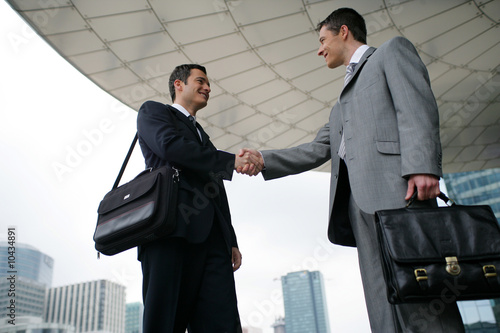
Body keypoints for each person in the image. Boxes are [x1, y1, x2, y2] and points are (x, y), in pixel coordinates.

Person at [238, 7, 465, 333]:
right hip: (357, 207)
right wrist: (262, 159)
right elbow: (317, 150)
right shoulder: (340, 105)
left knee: (423, 293)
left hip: (400, 193)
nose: (319, 49)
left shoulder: (391, 53)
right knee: (381, 300)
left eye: (322, 39)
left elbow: (416, 107)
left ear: (343, 31)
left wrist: (423, 167)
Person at [137, 64, 252, 332]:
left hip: (212, 243)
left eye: (208, 84)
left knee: (222, 323)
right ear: (178, 84)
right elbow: (171, 147)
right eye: (200, 81)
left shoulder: (204, 137)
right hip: (169, 233)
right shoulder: (153, 112)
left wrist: (230, 240)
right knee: (165, 322)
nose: (207, 88)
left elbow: (217, 191)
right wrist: (230, 160)